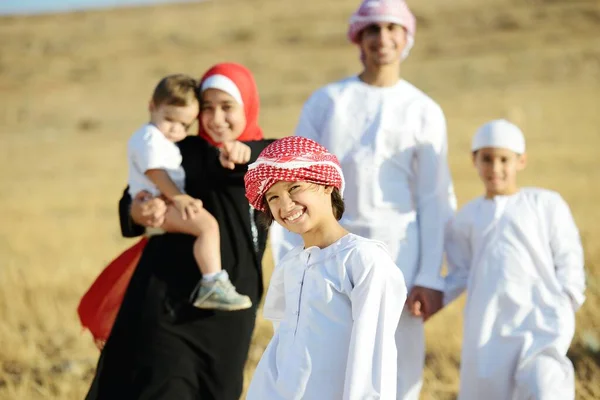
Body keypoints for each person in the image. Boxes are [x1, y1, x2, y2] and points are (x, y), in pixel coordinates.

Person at [269, 1, 456, 398]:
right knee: (320, 351)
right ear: (359, 37)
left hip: (400, 252)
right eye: (373, 29)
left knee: (395, 360)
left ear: (407, 37)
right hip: (329, 244)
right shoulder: (328, 101)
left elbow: (434, 197)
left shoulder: (424, 110)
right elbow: (294, 176)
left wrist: (428, 277)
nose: (383, 38)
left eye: (393, 28)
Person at [85, 63, 274, 400]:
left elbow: (311, 167)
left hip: (231, 310)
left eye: (227, 107)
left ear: (247, 105)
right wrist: (138, 210)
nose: (216, 119)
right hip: (168, 303)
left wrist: (249, 152)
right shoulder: (180, 151)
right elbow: (128, 203)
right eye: (207, 108)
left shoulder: (269, 159)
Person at [244, 136, 407, 399]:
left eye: (294, 187)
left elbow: (374, 356)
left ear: (326, 185)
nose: (285, 205)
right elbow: (281, 350)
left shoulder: (363, 259)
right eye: (273, 197)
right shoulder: (290, 265)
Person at [444, 119, 586, 400]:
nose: (495, 168)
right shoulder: (466, 218)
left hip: (541, 324)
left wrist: (567, 300)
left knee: (547, 389)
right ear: (474, 160)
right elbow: (459, 273)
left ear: (521, 161)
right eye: (487, 159)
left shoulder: (545, 203)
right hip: (488, 329)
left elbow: (569, 255)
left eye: (503, 159)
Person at [126, 73, 251, 310]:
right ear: (152, 106)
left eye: (184, 125)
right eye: (170, 119)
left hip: (165, 201)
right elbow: (155, 172)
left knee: (206, 227)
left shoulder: (166, 140)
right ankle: (212, 282)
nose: (175, 130)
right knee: (207, 226)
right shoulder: (150, 137)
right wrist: (180, 198)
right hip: (160, 202)